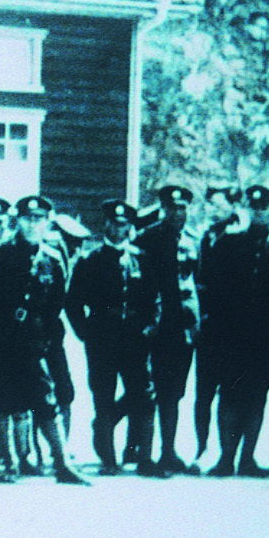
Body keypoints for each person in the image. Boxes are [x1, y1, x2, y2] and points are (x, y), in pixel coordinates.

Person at [0, 195, 88, 485]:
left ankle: (62, 463)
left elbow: (57, 301)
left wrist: (43, 336)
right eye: (27, 219)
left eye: (38, 219)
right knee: (1, 401)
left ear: (47, 223)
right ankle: (10, 461)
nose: (32, 225)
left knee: (46, 400)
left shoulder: (52, 257)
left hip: (33, 342)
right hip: (1, 339)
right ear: (18, 221)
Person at [67, 200, 158, 476]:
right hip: (102, 338)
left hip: (134, 337)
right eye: (115, 224)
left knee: (143, 395)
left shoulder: (141, 258)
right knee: (103, 395)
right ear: (106, 224)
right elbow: (72, 302)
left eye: (125, 225)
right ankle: (109, 459)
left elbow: (153, 298)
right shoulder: (90, 260)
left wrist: (150, 326)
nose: (120, 229)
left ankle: (145, 459)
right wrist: (85, 333)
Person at [206, 185, 269, 476]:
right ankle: (226, 458)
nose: (259, 213)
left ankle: (247, 458)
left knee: (256, 397)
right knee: (228, 395)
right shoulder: (229, 243)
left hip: (265, 340)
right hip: (232, 337)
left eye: (265, 208)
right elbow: (213, 289)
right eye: (255, 208)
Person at [136, 185, 198, 474]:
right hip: (156, 326)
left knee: (174, 393)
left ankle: (168, 452)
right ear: (162, 210)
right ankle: (140, 451)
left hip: (182, 328)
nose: (177, 213)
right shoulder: (147, 238)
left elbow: (195, 283)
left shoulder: (192, 240)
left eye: (182, 208)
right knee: (150, 390)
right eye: (171, 208)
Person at [191, 185, 241, 465]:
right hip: (207, 329)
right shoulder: (204, 237)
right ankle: (202, 448)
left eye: (218, 205)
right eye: (209, 204)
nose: (212, 210)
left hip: (231, 329)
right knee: (203, 394)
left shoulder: (238, 237)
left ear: (231, 207)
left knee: (229, 394)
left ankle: (226, 453)